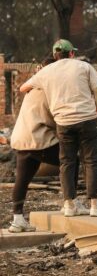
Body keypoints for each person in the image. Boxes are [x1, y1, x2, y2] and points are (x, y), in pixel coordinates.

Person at [20, 39, 97, 217]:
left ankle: (69, 205)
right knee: (91, 161)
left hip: (64, 123)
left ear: (54, 55)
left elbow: (23, 88)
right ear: (72, 53)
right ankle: (95, 206)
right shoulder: (83, 66)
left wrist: (38, 80)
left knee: (67, 162)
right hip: (88, 119)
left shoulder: (47, 71)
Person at [9, 58, 85, 232]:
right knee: (71, 161)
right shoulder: (50, 89)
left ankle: (17, 219)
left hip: (23, 138)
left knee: (22, 179)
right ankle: (70, 202)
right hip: (39, 138)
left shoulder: (33, 88)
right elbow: (59, 117)